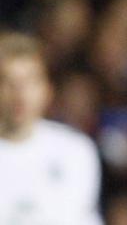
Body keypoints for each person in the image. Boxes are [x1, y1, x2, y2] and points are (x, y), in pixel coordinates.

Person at [0, 31, 103, 224]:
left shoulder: (76, 149)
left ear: (47, 88)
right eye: (8, 82)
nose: (20, 94)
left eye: (30, 81)